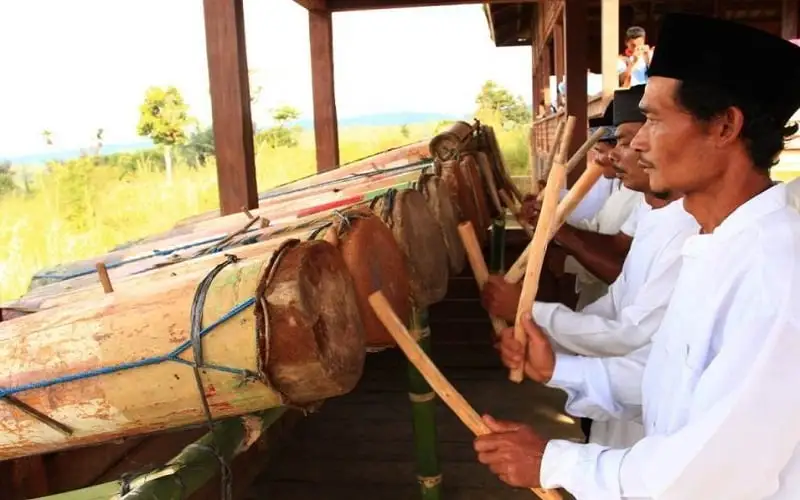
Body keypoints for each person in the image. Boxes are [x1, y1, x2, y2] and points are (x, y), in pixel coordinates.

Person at [475, 13, 800, 498]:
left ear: (725, 126)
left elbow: (712, 471)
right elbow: (669, 378)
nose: (637, 143)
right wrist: (559, 370)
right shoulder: (714, 243)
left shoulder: (776, 272)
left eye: (653, 119)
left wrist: (553, 460)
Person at [483, 85, 699, 448]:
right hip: (623, 401)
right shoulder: (654, 211)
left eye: (630, 138)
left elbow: (628, 333)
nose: (619, 152)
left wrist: (531, 315)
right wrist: (540, 331)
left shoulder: (693, 230)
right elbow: (617, 301)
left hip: (650, 430)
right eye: (625, 139)